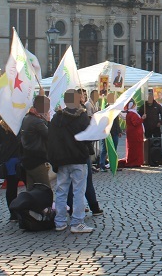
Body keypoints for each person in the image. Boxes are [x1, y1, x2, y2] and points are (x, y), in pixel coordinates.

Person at [47, 89, 93, 234]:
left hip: (62, 159)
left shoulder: (57, 118)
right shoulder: (82, 117)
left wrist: (54, 159)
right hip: (78, 158)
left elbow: (51, 140)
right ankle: (77, 222)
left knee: (61, 191)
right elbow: (88, 137)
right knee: (79, 191)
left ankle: (59, 221)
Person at [20, 95, 51, 189]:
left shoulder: (27, 118)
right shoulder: (37, 121)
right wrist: (48, 121)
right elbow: (50, 135)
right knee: (46, 189)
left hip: (27, 158)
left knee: (32, 190)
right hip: (37, 160)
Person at [0, 118, 22, 222]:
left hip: (8, 159)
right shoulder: (19, 123)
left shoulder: (2, 125)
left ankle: (13, 213)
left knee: (11, 187)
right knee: (27, 184)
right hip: (18, 158)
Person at [118, 99, 144, 168]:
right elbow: (135, 123)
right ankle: (134, 162)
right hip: (134, 135)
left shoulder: (131, 113)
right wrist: (142, 119)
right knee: (135, 149)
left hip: (134, 134)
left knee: (134, 149)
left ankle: (136, 162)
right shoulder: (132, 114)